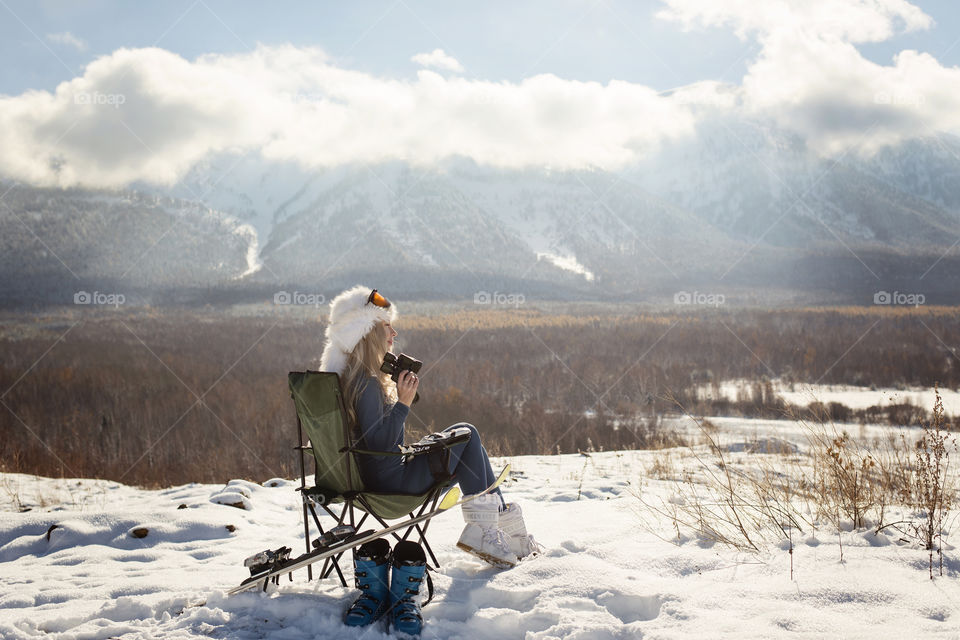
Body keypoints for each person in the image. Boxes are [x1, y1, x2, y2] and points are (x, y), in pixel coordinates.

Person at [319, 286, 538, 631]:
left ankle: (499, 532)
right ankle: (492, 531)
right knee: (469, 437)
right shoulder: (367, 385)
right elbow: (380, 441)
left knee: (466, 436)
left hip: (376, 477)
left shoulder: (354, 380)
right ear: (368, 334)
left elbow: (374, 442)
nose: (393, 334)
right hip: (393, 483)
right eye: (386, 328)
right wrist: (403, 403)